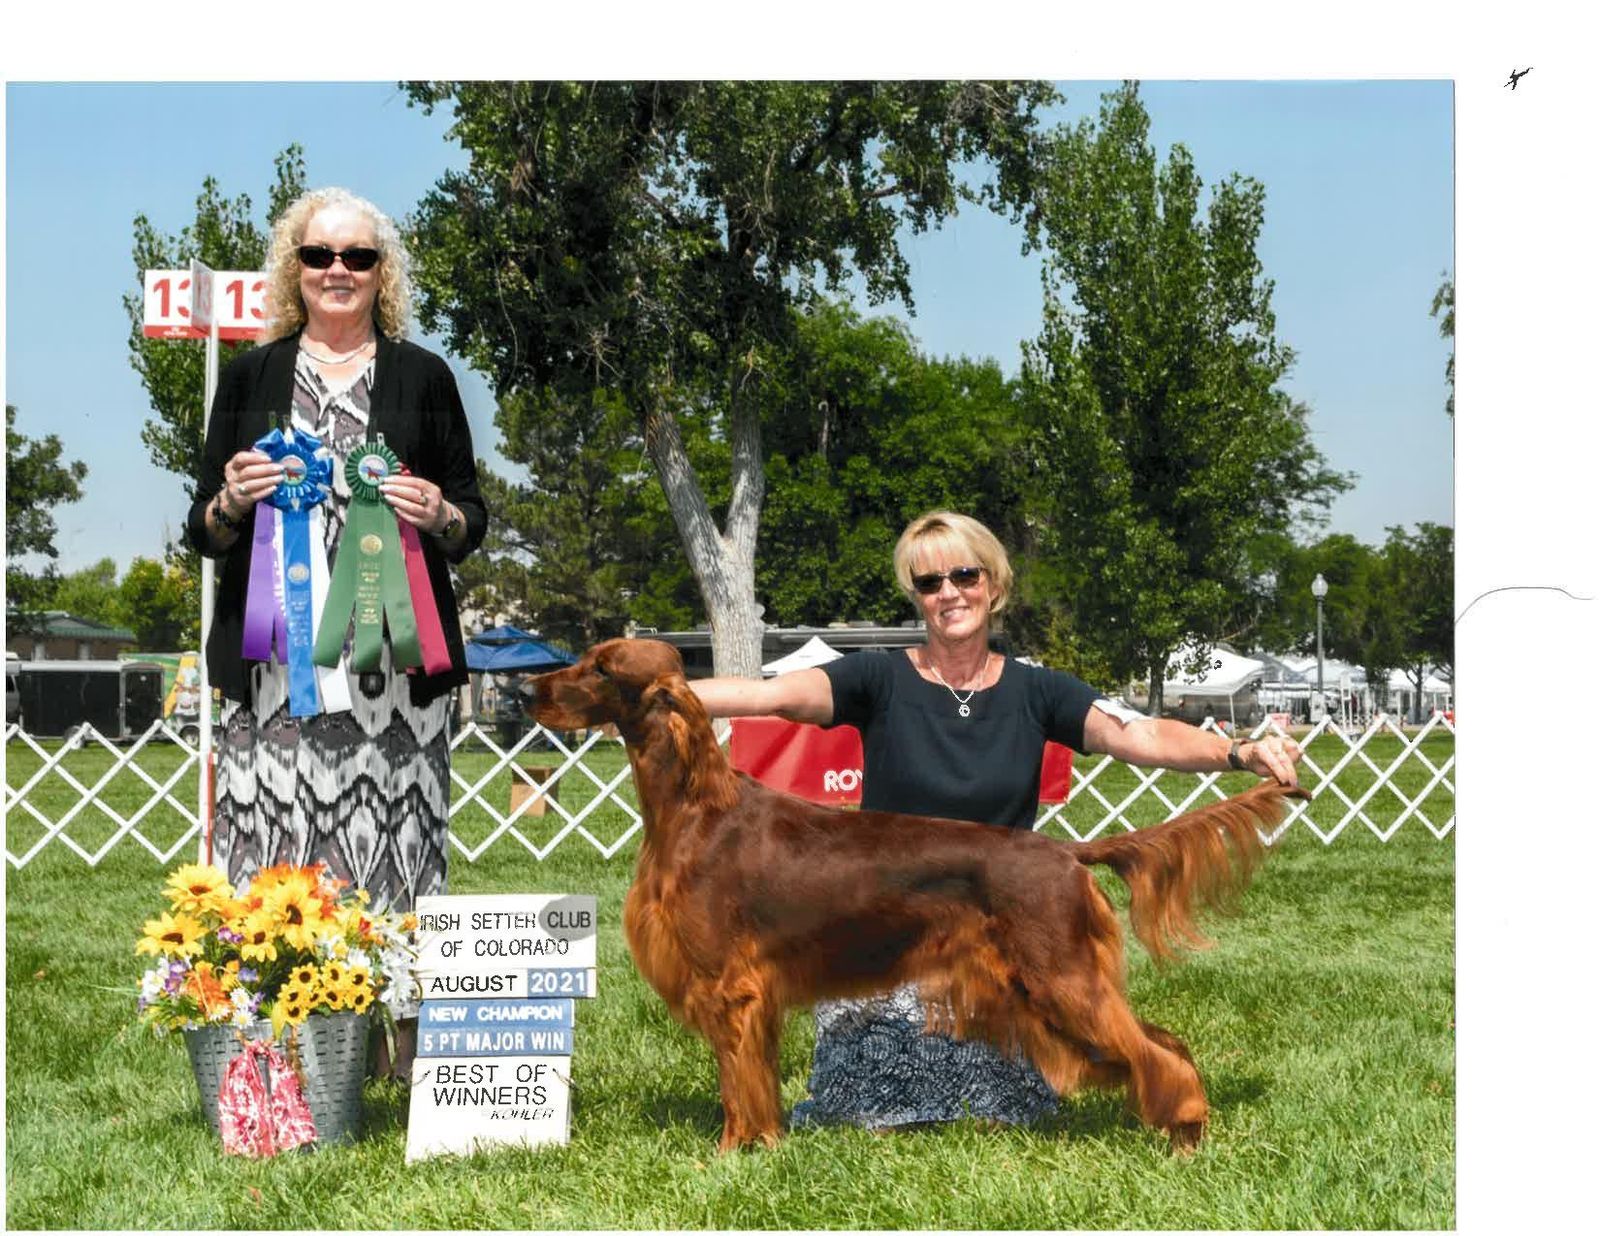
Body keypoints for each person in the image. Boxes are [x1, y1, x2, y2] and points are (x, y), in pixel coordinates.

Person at [690, 510, 1302, 1131]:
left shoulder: (1038, 691)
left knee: (1055, 1041)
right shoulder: (877, 678)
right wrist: (656, 692)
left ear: (994, 584)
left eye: (964, 575)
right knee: (865, 1105)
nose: (949, 593)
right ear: (917, 597)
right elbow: (765, 695)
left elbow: (1140, 734)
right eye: (930, 582)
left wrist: (1237, 752)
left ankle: (1171, 1084)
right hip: (886, 944)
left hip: (1000, 927)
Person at [185, 186, 485, 919]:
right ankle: (271, 1003)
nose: (338, 269)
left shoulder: (426, 377)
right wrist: (232, 502)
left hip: (395, 682)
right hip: (274, 680)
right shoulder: (250, 378)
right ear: (297, 269)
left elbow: (470, 522)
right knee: (271, 886)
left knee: (394, 885)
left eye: (358, 256)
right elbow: (202, 529)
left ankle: (397, 999)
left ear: (383, 272)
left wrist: (441, 514)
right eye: (319, 254)